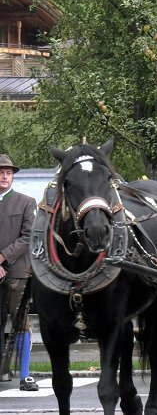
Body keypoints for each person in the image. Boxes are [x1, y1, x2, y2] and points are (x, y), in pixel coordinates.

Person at [0, 153, 39, 391]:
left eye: (8, 173)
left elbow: (28, 236)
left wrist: (2, 258)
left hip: (17, 273)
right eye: (0, 172)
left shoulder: (26, 202)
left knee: (21, 323)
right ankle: (2, 371)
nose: (4, 176)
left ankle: (25, 376)